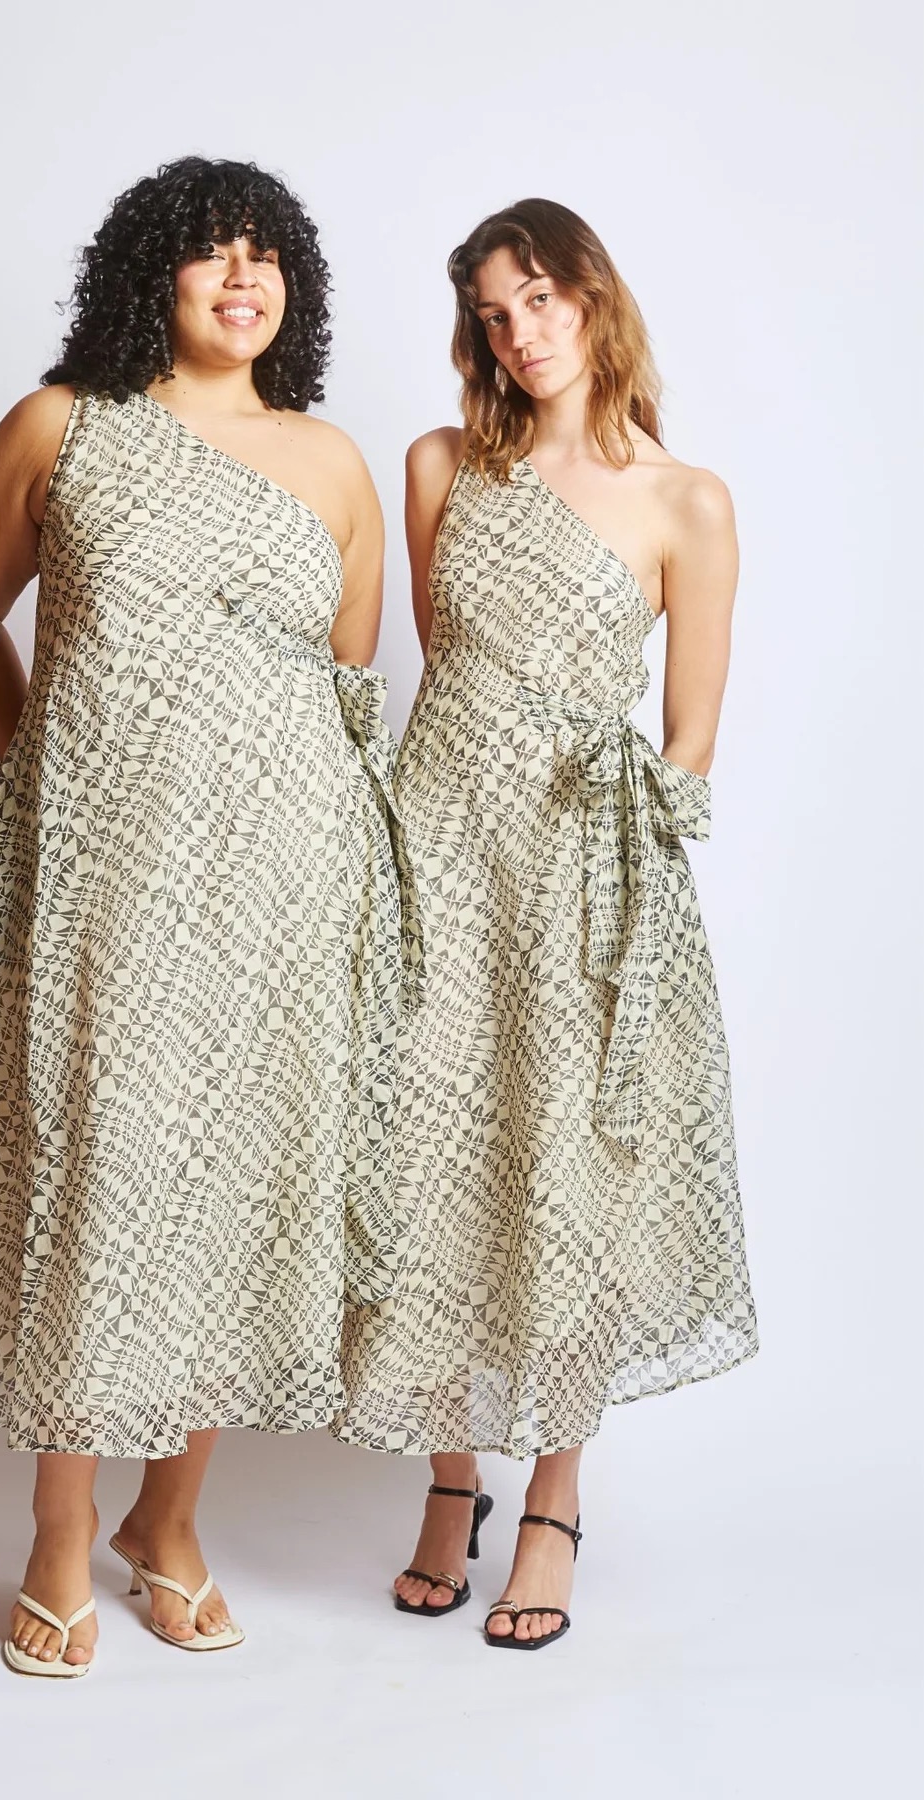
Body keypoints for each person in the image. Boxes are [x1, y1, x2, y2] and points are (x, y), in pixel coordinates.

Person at [0, 155, 420, 1676]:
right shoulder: (60, 427)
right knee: (100, 1178)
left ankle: (166, 1523)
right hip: (106, 880)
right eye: (210, 253)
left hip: (286, 883)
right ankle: (57, 1534)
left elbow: (342, 687)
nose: (243, 280)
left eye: (267, 257)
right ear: (150, 275)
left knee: (237, 1184)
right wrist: (52, 774)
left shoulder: (332, 463)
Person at [335, 197, 758, 1649]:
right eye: (492, 315)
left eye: (539, 301)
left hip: (581, 879)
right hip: (437, 848)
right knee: (418, 1157)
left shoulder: (688, 502)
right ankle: (451, 1480)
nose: (519, 334)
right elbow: (447, 669)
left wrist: (618, 868)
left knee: (566, 1174)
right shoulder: (440, 466)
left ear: (593, 295)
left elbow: (688, 742)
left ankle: (556, 1499)